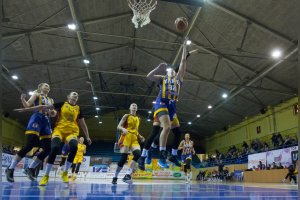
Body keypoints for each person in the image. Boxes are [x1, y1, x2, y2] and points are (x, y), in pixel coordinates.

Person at [140, 40, 188, 169]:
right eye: (169, 70)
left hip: (172, 106)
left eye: (173, 70)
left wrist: (184, 46)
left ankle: (171, 154)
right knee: (165, 128)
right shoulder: (162, 79)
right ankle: (161, 156)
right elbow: (149, 76)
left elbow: (183, 62)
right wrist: (158, 68)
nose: (171, 71)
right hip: (161, 103)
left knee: (176, 132)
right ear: (166, 73)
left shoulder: (179, 79)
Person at [39, 91, 92, 186]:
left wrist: (87, 136)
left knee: (74, 147)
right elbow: (46, 107)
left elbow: (83, 124)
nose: (76, 94)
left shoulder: (78, 108)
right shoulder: (62, 104)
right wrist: (29, 108)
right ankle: (46, 175)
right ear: (69, 97)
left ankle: (65, 172)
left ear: (77, 99)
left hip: (72, 132)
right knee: (54, 148)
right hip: (59, 130)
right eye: (74, 93)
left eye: (77, 95)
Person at [6, 83, 55, 182]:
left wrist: (52, 112)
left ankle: (30, 168)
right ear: (40, 87)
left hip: (46, 122)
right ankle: (10, 169)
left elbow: (53, 113)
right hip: (37, 119)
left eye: (48, 86)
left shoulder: (51, 100)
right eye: (45, 85)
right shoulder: (37, 94)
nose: (47, 86)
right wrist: (23, 99)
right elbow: (27, 105)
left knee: (48, 149)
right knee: (29, 145)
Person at [112, 103, 145, 184]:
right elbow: (118, 126)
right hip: (126, 137)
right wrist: (123, 129)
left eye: (135, 106)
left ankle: (127, 175)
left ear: (137, 109)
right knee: (123, 158)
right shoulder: (126, 116)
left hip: (134, 138)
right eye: (133, 105)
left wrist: (140, 136)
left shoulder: (138, 118)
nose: (134, 106)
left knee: (137, 154)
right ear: (130, 108)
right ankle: (115, 176)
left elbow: (136, 130)